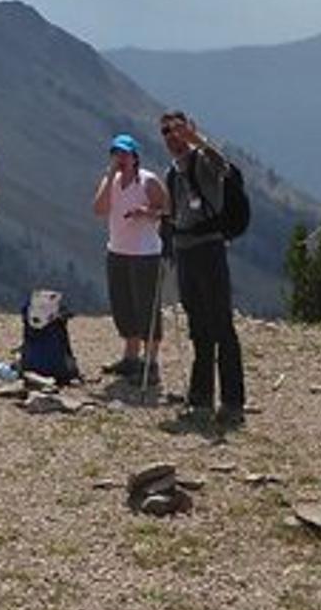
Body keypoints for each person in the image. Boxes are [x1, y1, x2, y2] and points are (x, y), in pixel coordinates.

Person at [158, 110, 248, 431]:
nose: (171, 136)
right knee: (198, 324)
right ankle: (201, 395)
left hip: (208, 248)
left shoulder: (202, 162)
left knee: (221, 323)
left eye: (176, 129)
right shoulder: (172, 172)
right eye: (166, 131)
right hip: (185, 251)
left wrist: (197, 140)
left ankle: (233, 401)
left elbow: (228, 168)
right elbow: (174, 214)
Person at [92, 134, 169, 387]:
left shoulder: (148, 181)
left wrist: (146, 213)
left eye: (125, 154)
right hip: (117, 250)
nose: (121, 159)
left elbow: (167, 210)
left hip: (145, 253)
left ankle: (151, 363)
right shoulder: (111, 182)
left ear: (135, 157)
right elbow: (99, 209)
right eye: (116, 154)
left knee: (146, 306)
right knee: (122, 304)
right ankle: (130, 356)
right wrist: (109, 175)